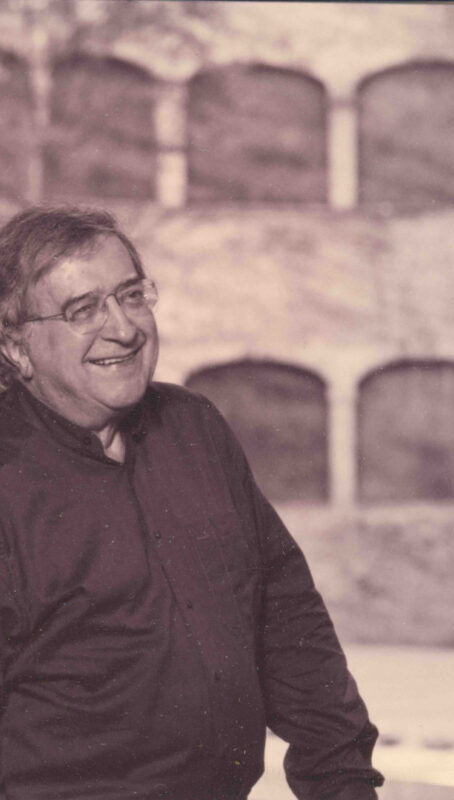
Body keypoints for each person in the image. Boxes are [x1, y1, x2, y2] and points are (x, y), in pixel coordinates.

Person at [0, 207, 384, 800]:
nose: (123, 328)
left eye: (132, 295)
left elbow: (288, 621)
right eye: (83, 310)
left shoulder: (194, 427)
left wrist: (344, 784)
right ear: (15, 346)